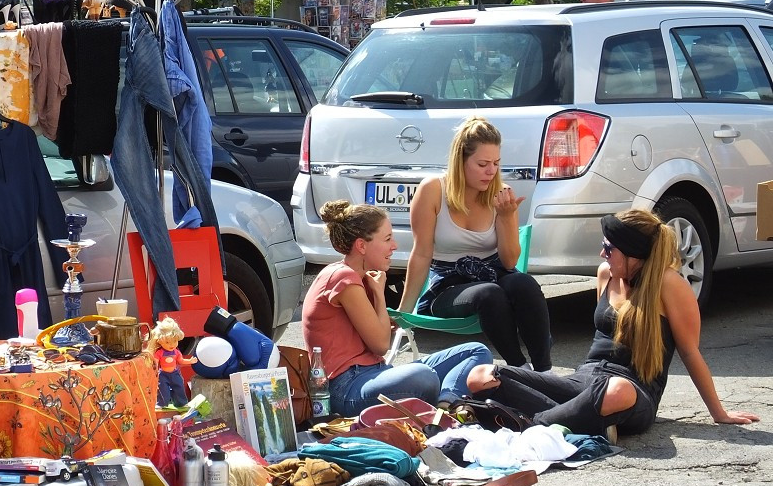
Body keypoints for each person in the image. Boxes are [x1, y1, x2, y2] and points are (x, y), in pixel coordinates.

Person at [464, 209, 760, 439]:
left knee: (616, 391)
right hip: (584, 381)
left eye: (610, 249)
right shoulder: (607, 273)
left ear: (635, 256)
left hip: (633, 390)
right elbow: (601, 336)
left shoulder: (670, 284)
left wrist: (718, 412)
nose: (603, 255)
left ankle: (536, 424)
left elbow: (690, 352)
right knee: (481, 375)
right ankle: (579, 422)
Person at [302, 200, 494, 416]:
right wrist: (378, 294)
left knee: (476, 351)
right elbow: (381, 345)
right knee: (424, 376)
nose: (394, 246)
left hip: (376, 373)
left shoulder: (361, 277)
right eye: (387, 239)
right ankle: (448, 405)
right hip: (346, 389)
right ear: (361, 246)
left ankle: (446, 403)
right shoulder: (343, 277)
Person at [397, 116, 552, 372]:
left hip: (495, 272)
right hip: (449, 285)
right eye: (482, 164)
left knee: (523, 283)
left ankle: (545, 371)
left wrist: (505, 217)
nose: (491, 171)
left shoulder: (500, 193)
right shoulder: (433, 190)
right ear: (461, 161)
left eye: (496, 163)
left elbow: (510, 262)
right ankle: (519, 368)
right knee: (490, 294)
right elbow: (422, 253)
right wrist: (405, 311)